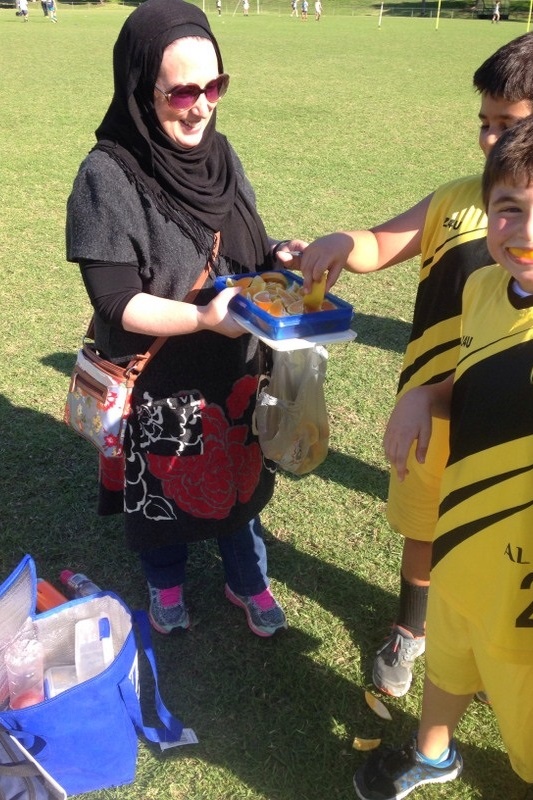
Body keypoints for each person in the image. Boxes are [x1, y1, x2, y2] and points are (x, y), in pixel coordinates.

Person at [296, 33, 533, 697]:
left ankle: (488, 644)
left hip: (504, 426)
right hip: (431, 418)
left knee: (499, 535)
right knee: (423, 524)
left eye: (508, 124)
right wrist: (344, 242)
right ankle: (410, 628)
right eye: (483, 123)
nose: (489, 140)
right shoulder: (457, 200)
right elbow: (379, 245)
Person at [66, 0, 306, 638]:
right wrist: (201, 316)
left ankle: (247, 579)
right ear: (143, 91)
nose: (201, 106)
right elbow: (117, 302)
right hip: (160, 382)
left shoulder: (220, 153)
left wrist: (276, 254)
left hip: (233, 373)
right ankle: (165, 583)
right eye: (182, 92)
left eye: (215, 86)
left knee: (238, 490)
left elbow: (240, 244)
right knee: (165, 495)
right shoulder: (106, 175)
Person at [353, 113, 533, 800]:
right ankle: (432, 754)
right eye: (508, 209)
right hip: (463, 542)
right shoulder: (483, 288)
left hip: (521, 580)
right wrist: (425, 395)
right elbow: (482, 379)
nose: (521, 233)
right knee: (450, 652)